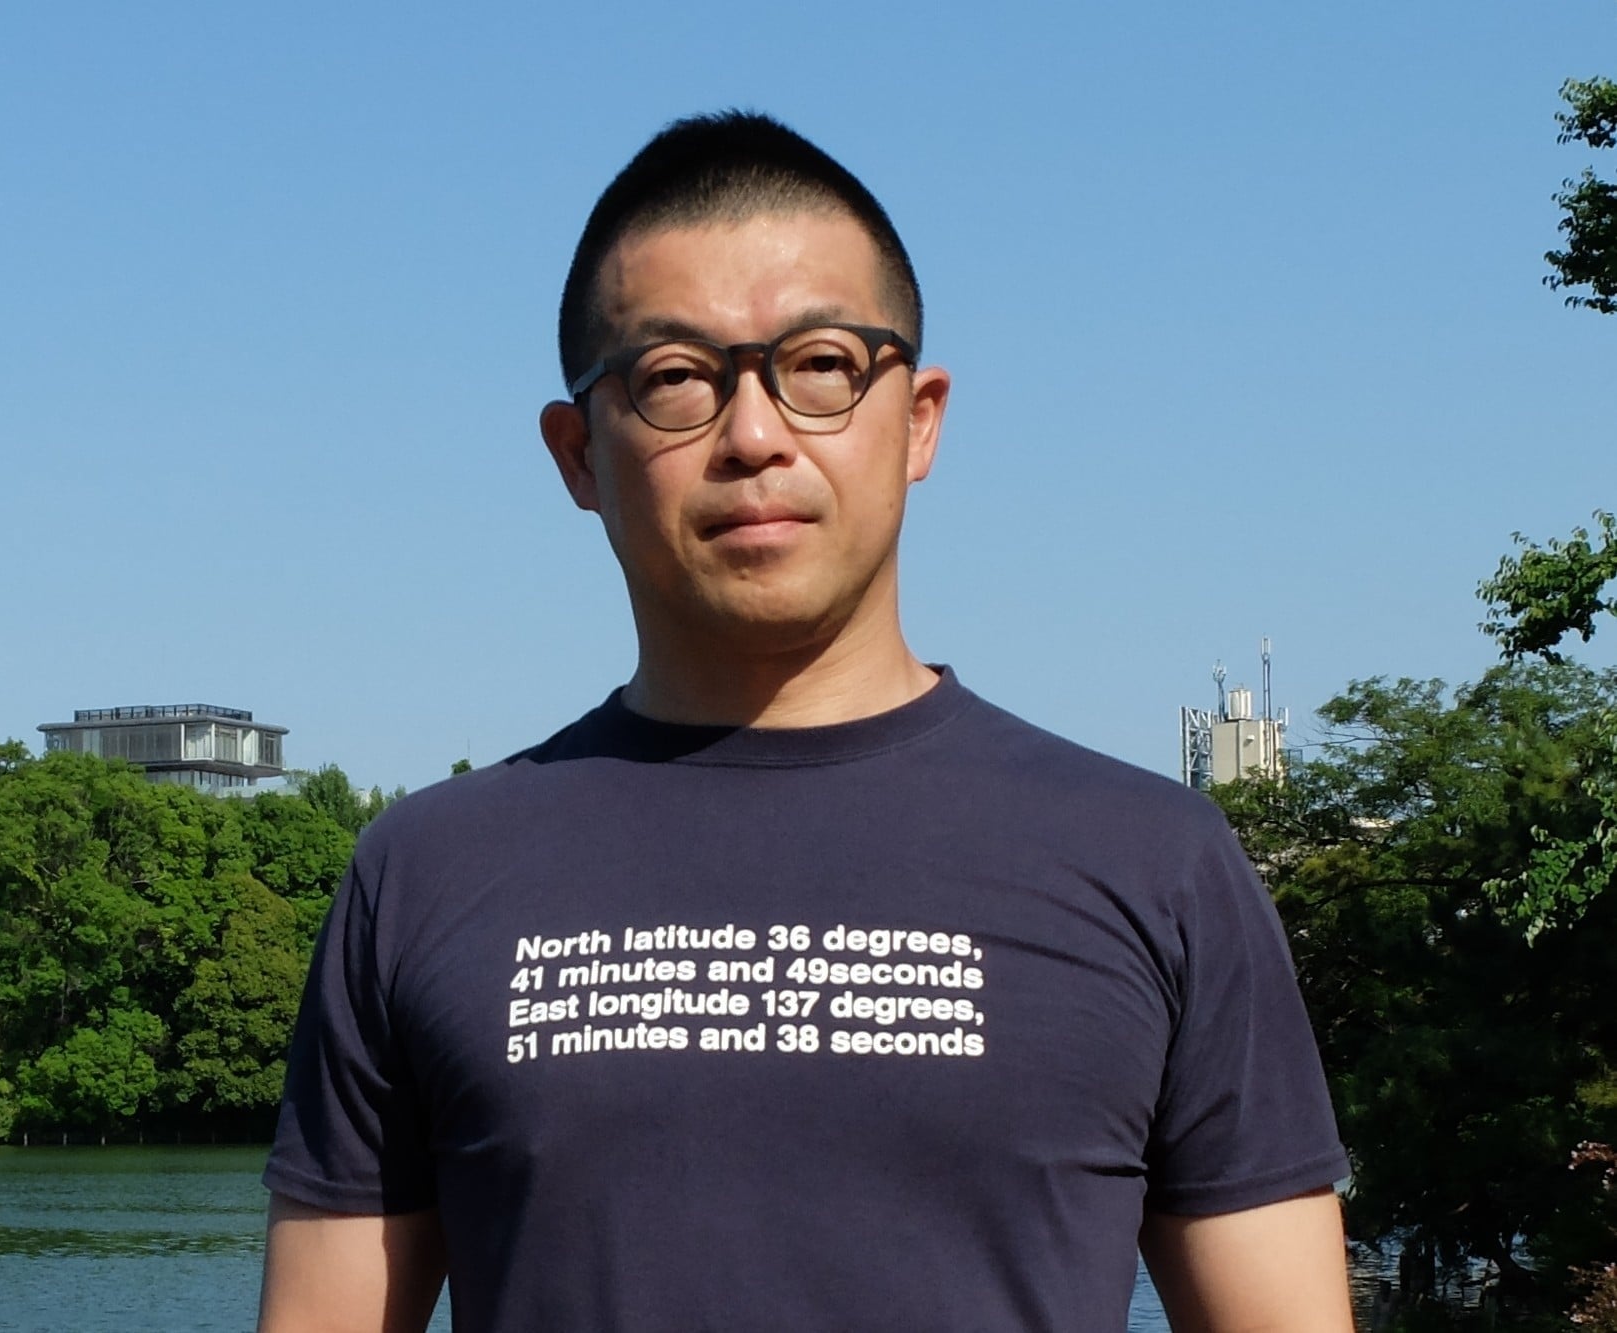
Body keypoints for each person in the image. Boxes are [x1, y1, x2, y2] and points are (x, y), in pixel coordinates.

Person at [258, 111, 1354, 1333]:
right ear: (577, 454)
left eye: (822, 365)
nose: (754, 435)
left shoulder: (1155, 864)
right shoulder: (425, 873)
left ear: (920, 417)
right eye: (675, 378)